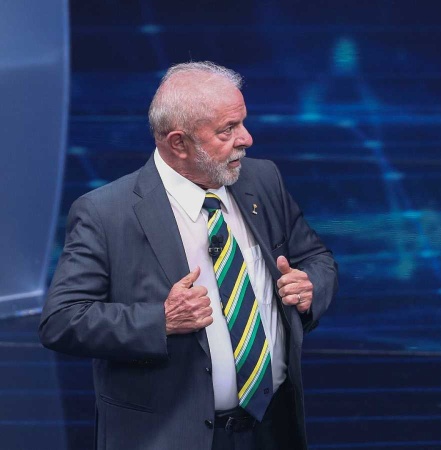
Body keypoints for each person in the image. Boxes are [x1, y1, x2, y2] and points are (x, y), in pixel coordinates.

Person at [39, 61, 338, 450]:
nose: (246, 138)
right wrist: (160, 320)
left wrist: (309, 286)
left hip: (272, 430)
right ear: (178, 143)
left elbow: (317, 258)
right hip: (170, 436)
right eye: (227, 130)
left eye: (243, 123)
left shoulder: (263, 180)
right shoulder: (105, 213)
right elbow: (62, 320)